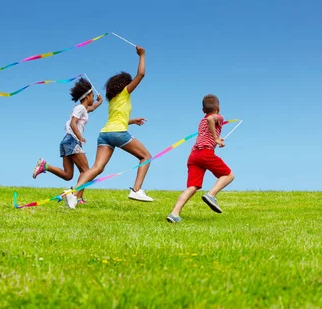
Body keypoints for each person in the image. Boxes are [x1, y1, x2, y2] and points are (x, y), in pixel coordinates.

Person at [63, 46, 152, 209]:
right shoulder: (125, 92)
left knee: (97, 168)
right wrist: (142, 55)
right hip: (117, 133)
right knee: (146, 156)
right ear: (125, 84)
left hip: (105, 134)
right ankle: (136, 190)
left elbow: (117, 119)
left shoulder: (113, 99)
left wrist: (132, 121)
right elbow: (141, 74)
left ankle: (73, 193)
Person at [32, 78, 103, 203]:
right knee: (86, 171)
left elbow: (91, 108)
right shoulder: (80, 108)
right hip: (72, 140)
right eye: (92, 96)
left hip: (67, 141)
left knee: (68, 175)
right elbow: (73, 123)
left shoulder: (82, 109)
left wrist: (99, 102)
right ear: (87, 97)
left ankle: (45, 166)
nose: (93, 98)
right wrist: (80, 137)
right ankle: (78, 197)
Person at [166, 94, 234, 223]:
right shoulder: (218, 117)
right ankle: (211, 195)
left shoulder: (202, 120)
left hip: (194, 155)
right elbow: (211, 119)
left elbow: (208, 126)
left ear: (203, 110)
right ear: (218, 108)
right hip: (205, 153)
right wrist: (215, 139)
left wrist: (217, 139)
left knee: (192, 186)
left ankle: (174, 214)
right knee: (229, 175)